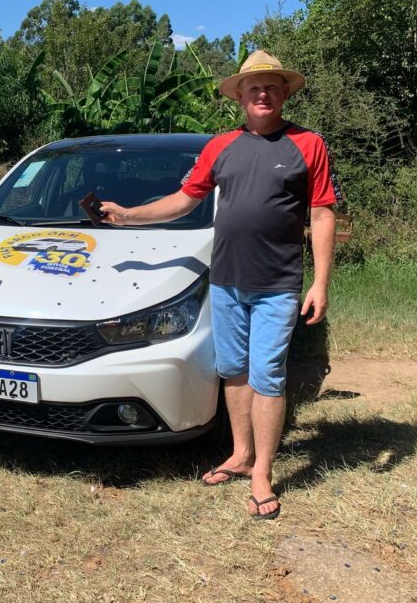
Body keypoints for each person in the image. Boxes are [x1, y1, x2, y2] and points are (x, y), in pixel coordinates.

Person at [100, 50, 340, 520]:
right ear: (241, 97)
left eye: (271, 86)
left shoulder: (308, 144)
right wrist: (128, 216)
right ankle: (240, 452)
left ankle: (262, 474)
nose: (263, 94)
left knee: (267, 375)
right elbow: (183, 201)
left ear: (285, 92)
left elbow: (321, 213)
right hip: (226, 280)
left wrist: (321, 282)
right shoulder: (220, 146)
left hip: (279, 284)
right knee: (233, 370)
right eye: (254, 88)